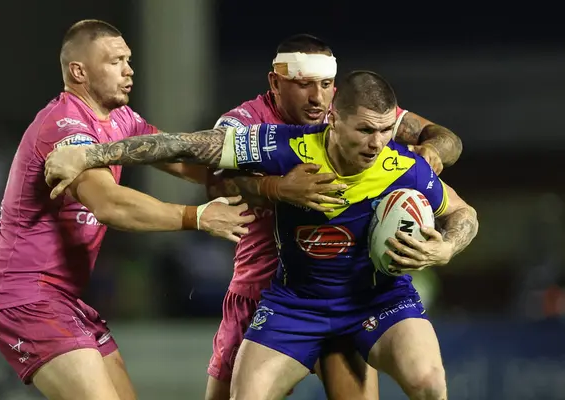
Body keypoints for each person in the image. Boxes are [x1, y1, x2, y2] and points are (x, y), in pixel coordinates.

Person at [43, 71, 478, 400]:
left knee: (429, 383)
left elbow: (463, 214)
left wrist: (446, 248)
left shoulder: (405, 166)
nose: (377, 142)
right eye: (365, 130)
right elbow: (187, 146)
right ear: (335, 120)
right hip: (295, 305)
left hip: (379, 300)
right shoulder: (285, 146)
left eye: (385, 130)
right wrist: (90, 154)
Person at [0, 19, 256, 400]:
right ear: (79, 71)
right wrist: (197, 216)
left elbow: (184, 160)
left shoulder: (123, 120)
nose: (129, 70)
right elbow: (109, 204)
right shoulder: (65, 127)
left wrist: (268, 182)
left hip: (62, 299)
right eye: (115, 61)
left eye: (129, 60)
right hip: (23, 297)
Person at [203, 34, 463, 400]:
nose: (317, 97)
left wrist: (430, 154)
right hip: (263, 286)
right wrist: (275, 189)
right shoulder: (244, 124)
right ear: (275, 83)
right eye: (303, 84)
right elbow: (217, 186)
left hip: (346, 285)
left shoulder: (349, 116)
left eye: (326, 85)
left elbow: (445, 137)